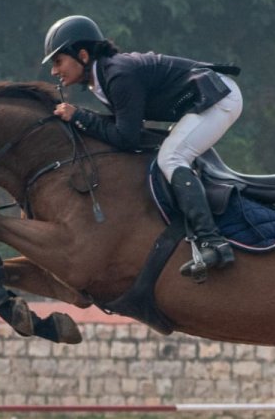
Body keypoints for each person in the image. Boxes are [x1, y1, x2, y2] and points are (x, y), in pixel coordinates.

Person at [42, 14, 242, 278]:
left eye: (58, 61)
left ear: (82, 54)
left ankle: (213, 242)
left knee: (171, 158)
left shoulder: (118, 75)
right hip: (201, 100)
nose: (54, 71)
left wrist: (79, 116)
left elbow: (127, 138)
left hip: (217, 97)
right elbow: (124, 130)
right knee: (166, 155)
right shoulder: (102, 78)